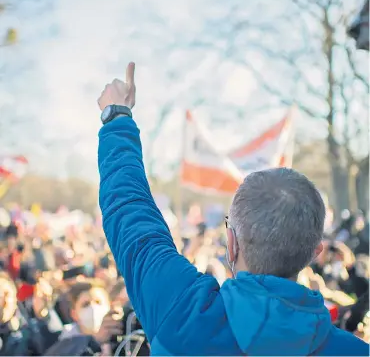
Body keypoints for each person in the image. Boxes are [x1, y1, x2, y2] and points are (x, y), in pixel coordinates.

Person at [97, 62, 369, 355]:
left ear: (231, 242)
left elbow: (130, 213)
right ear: (315, 253)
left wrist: (117, 118)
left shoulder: (181, 311)